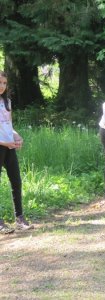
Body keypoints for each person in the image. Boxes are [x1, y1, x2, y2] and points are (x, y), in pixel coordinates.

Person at [0, 71, 34, 234]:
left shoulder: (7, 101)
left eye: (5, 83)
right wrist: (3, 142)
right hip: (0, 145)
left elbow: (9, 124)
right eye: (0, 82)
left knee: (16, 181)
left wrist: (16, 135)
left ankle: (19, 218)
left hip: (10, 147)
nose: (2, 86)